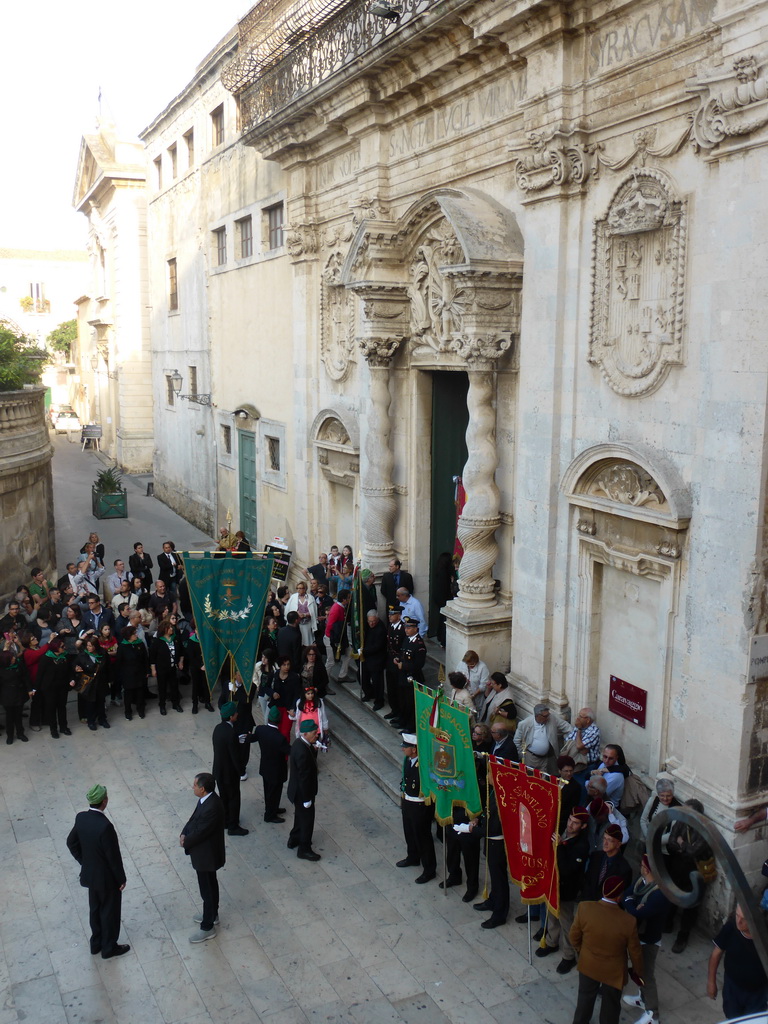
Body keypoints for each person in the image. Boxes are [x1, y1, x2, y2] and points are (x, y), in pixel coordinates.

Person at [570, 875, 644, 1024]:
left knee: (585, 998)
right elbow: (635, 952)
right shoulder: (628, 921)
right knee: (611, 1006)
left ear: (603, 891)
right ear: (619, 897)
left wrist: (582, 951)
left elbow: (573, 936)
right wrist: (638, 971)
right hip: (614, 971)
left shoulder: (584, 908)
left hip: (589, 964)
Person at [66, 784, 129, 959]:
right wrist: (121, 879)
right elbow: (113, 858)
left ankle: (96, 944)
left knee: (95, 909)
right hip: (107, 879)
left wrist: (84, 862)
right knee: (109, 912)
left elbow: (71, 843)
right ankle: (109, 947)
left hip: (90, 876)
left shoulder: (81, 818)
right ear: (104, 801)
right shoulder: (105, 826)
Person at [622, 854, 673, 1024]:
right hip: (638, 935)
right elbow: (626, 895)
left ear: (649, 869)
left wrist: (633, 906)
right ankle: (642, 998)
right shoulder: (641, 881)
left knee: (647, 975)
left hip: (648, 940)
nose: (641, 867)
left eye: (644, 865)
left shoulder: (659, 894)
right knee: (639, 971)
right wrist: (633, 904)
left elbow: (638, 913)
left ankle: (653, 1014)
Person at [537, 806, 590, 968]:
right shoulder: (562, 831)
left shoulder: (581, 845)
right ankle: (552, 942)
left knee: (567, 923)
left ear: (583, 826)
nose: (570, 825)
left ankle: (569, 955)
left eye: (575, 823)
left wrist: (559, 847)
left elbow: (567, 869)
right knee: (551, 914)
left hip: (567, 888)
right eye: (570, 820)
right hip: (552, 883)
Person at [180, 772, 226, 944]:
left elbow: (202, 831)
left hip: (207, 856)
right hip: (204, 854)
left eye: (195, 785)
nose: (193, 787)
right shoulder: (206, 800)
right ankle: (212, 914)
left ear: (203, 789)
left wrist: (186, 841)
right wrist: (184, 832)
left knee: (207, 890)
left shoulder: (212, 806)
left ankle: (208, 927)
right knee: (209, 886)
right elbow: (193, 819)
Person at [664, 798, 713, 953]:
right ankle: (667, 923)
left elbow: (694, 852)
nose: (682, 813)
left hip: (695, 873)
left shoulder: (704, 830)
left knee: (691, 907)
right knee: (672, 895)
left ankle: (683, 936)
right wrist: (684, 847)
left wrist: (682, 845)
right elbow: (671, 841)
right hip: (678, 868)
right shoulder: (681, 822)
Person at [708, 903, 768, 1020]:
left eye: (744, 919)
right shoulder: (730, 928)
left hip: (758, 992)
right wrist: (711, 982)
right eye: (737, 915)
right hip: (732, 987)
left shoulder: (764, 936)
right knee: (732, 1018)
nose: (738, 922)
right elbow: (716, 954)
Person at [397, 733, 436, 883]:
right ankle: (412, 856)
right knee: (409, 832)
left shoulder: (424, 765)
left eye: (405, 747)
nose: (403, 749)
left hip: (420, 805)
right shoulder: (408, 760)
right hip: (407, 801)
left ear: (414, 749)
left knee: (423, 837)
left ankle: (429, 869)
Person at [473, 780, 509, 928]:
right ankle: (493, 900)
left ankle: (500, 914)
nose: (487, 775)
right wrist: (478, 820)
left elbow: (493, 828)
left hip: (497, 843)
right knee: (494, 876)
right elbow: (487, 812)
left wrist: (473, 830)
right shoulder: (494, 791)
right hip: (491, 842)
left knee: (499, 878)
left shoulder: (502, 797)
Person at [212, 701, 248, 836]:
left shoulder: (218, 728)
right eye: (235, 713)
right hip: (229, 774)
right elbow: (234, 756)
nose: (237, 714)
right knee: (233, 798)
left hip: (219, 771)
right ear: (231, 717)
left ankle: (225, 821)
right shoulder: (231, 733)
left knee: (224, 797)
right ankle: (233, 826)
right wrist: (241, 771)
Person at [287, 718, 321, 860]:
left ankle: (294, 838)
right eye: (314, 733)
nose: (316, 735)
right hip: (303, 793)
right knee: (307, 820)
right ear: (305, 734)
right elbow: (304, 777)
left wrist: (314, 751)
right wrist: (307, 798)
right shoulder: (302, 751)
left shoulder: (300, 744)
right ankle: (304, 848)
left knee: (299, 816)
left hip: (297, 791)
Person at [252, 706, 291, 823]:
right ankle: (270, 815)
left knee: (268, 791)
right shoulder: (280, 738)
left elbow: (253, 738)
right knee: (274, 792)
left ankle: (272, 809)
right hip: (276, 770)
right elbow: (290, 751)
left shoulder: (260, 729)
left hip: (265, 767)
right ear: (279, 721)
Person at [514, 703, 572, 775]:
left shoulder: (551, 718)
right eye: (545, 716)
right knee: (530, 779)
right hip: (530, 758)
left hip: (546, 759)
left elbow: (566, 726)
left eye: (548, 715)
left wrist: (572, 738)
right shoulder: (525, 724)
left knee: (543, 781)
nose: (548, 718)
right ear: (538, 716)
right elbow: (516, 741)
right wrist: (523, 756)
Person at [37, 636, 76, 738]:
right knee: (51, 708)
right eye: (62, 646)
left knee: (62, 707)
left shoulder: (65, 657)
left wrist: (71, 679)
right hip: (50, 688)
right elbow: (40, 674)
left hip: (62, 687)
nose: (64, 648)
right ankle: (53, 729)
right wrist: (35, 688)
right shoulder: (46, 658)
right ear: (55, 648)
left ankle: (64, 727)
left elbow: (70, 671)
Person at [583, 823, 633, 901]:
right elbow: (588, 880)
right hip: (588, 903)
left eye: (610, 840)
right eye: (604, 838)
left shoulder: (624, 869)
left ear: (618, 844)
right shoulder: (596, 856)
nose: (605, 843)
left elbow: (620, 895)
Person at [394, 616, 427, 732]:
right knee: (402, 700)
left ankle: (411, 726)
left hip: (412, 677)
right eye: (406, 627)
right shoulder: (407, 639)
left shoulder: (419, 645)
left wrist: (404, 666)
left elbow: (418, 664)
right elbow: (402, 652)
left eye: (409, 628)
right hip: (403, 676)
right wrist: (398, 659)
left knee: (410, 703)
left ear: (415, 629)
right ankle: (402, 720)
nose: (406, 630)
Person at [74, 636, 110, 731]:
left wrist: (110, 679)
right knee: (90, 703)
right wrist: (76, 668)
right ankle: (91, 721)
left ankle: (102, 719)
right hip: (90, 683)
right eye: (88, 646)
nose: (90, 648)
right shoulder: (82, 655)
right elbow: (74, 664)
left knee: (101, 702)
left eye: (92, 646)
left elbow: (108, 667)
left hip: (101, 681)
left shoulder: (102, 653)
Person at [0, 637, 32, 743]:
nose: (14, 658)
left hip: (19, 693)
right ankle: (10, 735)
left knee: (18, 716)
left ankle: (20, 733)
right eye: (12, 658)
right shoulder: (2, 669)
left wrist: (29, 689)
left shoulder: (19, 665)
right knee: (9, 717)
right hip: (7, 695)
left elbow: (26, 677)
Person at [149, 619, 184, 715]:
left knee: (174, 686)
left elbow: (181, 651)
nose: (171, 629)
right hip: (162, 669)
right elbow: (152, 657)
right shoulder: (157, 642)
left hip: (173, 667)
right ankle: (162, 705)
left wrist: (180, 662)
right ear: (164, 629)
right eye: (169, 628)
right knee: (162, 687)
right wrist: (153, 669)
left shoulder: (176, 639)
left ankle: (176, 704)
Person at [586, 775, 629, 851]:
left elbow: (624, 838)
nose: (587, 787)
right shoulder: (590, 804)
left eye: (590, 786)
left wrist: (612, 818)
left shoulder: (616, 817)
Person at [116, 625, 149, 721]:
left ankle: (141, 710)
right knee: (128, 694)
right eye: (134, 633)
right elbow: (119, 662)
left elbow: (145, 658)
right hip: (128, 674)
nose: (136, 635)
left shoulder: (140, 644)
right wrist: (120, 675)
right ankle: (128, 711)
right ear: (128, 635)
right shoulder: (122, 646)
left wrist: (147, 670)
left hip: (140, 672)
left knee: (140, 693)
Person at [639, 778, 680, 845]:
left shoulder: (676, 809)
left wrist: (654, 841)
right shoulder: (653, 800)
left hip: (662, 847)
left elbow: (672, 833)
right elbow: (643, 820)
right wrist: (648, 837)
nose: (665, 798)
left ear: (672, 794)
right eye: (662, 795)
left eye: (668, 796)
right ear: (658, 794)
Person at [360, 609, 387, 709]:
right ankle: (369, 693)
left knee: (377, 682)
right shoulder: (367, 626)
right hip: (367, 658)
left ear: (377, 619)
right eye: (370, 621)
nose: (371, 623)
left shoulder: (381, 629)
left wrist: (363, 650)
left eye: (373, 621)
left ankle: (379, 701)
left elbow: (378, 646)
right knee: (363, 677)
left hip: (377, 659)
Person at [324, 590, 353, 681]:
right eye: (348, 597)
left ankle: (342, 675)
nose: (350, 599)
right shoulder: (337, 609)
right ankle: (324, 682)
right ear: (344, 599)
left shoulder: (341, 607)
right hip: (332, 639)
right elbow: (330, 625)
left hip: (337, 638)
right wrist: (335, 641)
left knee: (349, 653)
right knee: (331, 662)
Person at [185, 629, 214, 714]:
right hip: (195, 666)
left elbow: (210, 653)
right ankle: (195, 704)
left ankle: (207, 702)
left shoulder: (207, 639)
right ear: (195, 630)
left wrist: (206, 664)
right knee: (196, 685)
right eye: (198, 629)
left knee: (206, 685)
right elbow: (190, 656)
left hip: (206, 666)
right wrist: (200, 666)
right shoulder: (191, 640)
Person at [285, 582, 317, 648]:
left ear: (305, 589)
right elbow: (288, 609)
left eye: (300, 588)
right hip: (296, 625)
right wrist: (296, 614)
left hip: (307, 624)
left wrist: (305, 615)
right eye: (297, 588)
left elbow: (313, 612)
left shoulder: (310, 598)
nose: (298, 590)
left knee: (307, 643)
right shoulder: (293, 597)